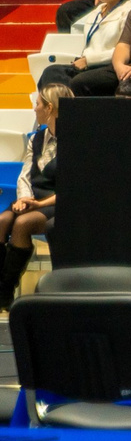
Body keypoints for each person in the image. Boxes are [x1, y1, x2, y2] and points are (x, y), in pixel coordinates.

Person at [0, 85, 65, 302]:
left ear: (49, 108)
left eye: (37, 104)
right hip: (32, 198)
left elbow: (70, 186)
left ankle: (5, 291)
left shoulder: (76, 139)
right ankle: (1, 286)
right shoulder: (36, 139)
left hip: (55, 201)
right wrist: (23, 198)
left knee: (21, 224)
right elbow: (25, 175)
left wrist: (38, 204)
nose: (34, 109)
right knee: (2, 220)